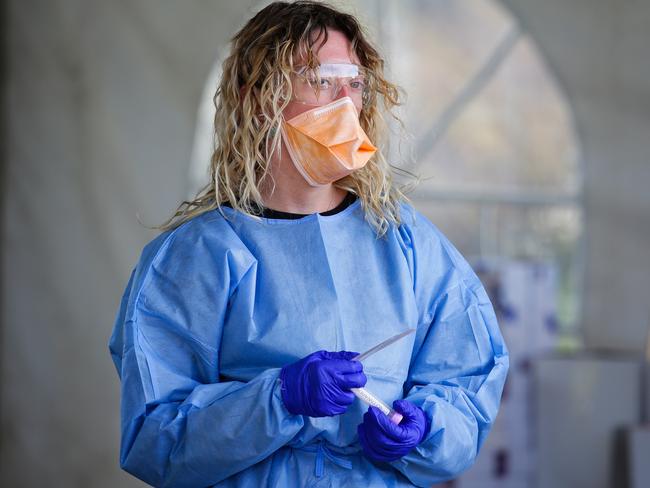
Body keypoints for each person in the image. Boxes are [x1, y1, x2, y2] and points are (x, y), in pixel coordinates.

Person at [108, 1, 509, 487]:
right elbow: (156, 439)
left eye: (355, 84)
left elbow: (467, 382)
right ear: (258, 95)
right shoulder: (197, 257)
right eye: (321, 80)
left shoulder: (404, 243)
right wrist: (278, 398)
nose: (345, 101)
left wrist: (426, 428)